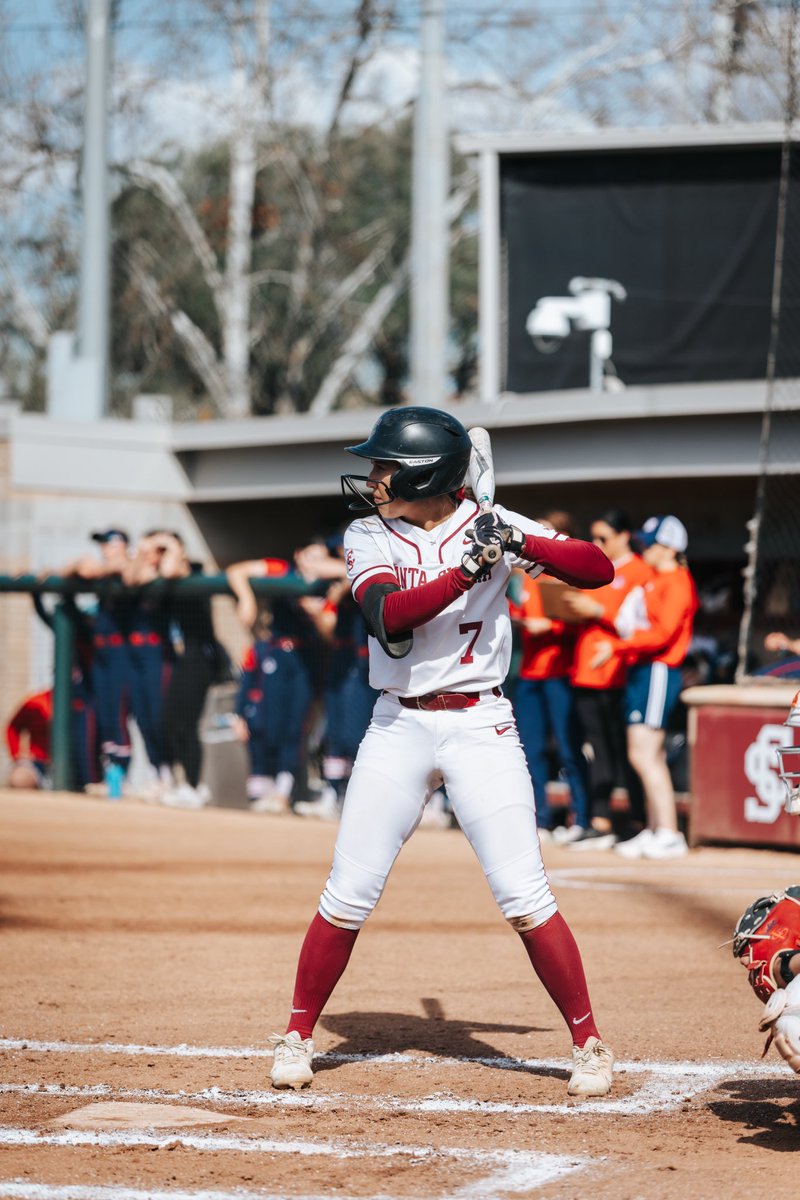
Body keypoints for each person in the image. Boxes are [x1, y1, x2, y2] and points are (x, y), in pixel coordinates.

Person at [267, 405, 616, 1099]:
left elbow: (597, 569)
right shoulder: (368, 533)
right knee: (348, 892)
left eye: (386, 466)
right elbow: (389, 615)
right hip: (399, 723)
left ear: (426, 472)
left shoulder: (493, 522)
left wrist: (519, 543)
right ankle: (298, 1032)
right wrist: (463, 573)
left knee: (524, 895)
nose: (374, 477)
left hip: (481, 723)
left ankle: (589, 1042)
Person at [592, 516, 698, 860]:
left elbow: (663, 634)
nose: (643, 549)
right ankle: (657, 828)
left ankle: (668, 832)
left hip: (657, 670)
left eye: (650, 543)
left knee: (644, 753)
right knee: (646, 754)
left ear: (668, 547)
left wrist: (618, 647)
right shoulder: (656, 580)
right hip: (643, 669)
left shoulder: (677, 581)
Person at [560, 511, 653, 848]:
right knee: (595, 750)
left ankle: (636, 821)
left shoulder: (641, 572)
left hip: (618, 673)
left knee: (627, 752)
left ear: (624, 536)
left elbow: (644, 624)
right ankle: (600, 821)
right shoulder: (596, 569)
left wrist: (599, 612)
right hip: (586, 670)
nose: (598, 545)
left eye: (604, 538)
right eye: (594, 538)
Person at [508, 512, 590, 841]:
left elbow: (579, 617)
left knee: (570, 748)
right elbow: (515, 611)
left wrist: (553, 626)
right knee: (531, 748)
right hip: (530, 671)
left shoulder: (565, 571)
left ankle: (581, 819)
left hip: (560, 671)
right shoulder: (526, 574)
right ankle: (539, 819)